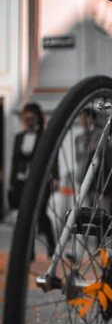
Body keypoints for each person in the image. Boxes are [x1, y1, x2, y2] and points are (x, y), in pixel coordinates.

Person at [8, 102, 57, 257]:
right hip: (22, 181)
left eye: (32, 117)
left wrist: (55, 177)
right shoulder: (19, 138)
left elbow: (53, 156)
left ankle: (52, 245)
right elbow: (14, 161)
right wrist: (11, 182)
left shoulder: (45, 135)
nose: (29, 120)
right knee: (25, 216)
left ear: (37, 118)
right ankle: (29, 253)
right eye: (26, 117)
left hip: (40, 181)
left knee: (41, 214)